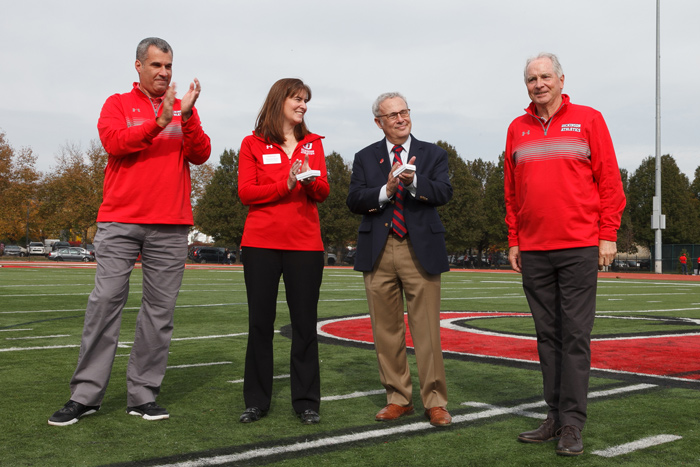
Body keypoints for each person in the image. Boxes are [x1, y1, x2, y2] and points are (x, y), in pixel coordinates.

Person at [48, 37, 211, 426]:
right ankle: (85, 395)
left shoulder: (184, 110)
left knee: (159, 313)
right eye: (156, 65)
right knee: (104, 303)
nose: (164, 72)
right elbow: (115, 143)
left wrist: (185, 116)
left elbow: (201, 154)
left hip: (171, 225)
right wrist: (158, 123)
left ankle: (142, 395)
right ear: (138, 66)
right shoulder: (117, 104)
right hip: (120, 221)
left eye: (168, 66)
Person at [505, 53, 626, 455]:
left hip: (578, 246)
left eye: (544, 76)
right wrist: (514, 239)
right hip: (535, 250)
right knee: (547, 336)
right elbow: (511, 192)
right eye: (531, 78)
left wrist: (607, 234)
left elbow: (609, 180)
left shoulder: (589, 119)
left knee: (575, 336)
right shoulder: (516, 129)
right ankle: (554, 416)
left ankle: (573, 422)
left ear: (560, 79)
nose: (538, 84)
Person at [346, 92, 453, 427]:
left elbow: (443, 192)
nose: (400, 119)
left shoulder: (433, 154)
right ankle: (398, 398)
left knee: (427, 331)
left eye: (403, 112)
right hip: (379, 248)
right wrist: (388, 189)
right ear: (379, 122)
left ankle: (435, 401)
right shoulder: (365, 157)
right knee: (386, 330)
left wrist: (414, 182)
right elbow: (354, 199)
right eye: (391, 115)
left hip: (419, 249)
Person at [237, 78, 329, 425]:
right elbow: (247, 193)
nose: (303, 105)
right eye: (297, 98)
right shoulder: (252, 143)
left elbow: (322, 191)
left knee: (305, 325)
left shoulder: (313, 143)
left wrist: (307, 179)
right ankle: (256, 402)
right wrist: (285, 184)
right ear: (280, 101)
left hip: (305, 245)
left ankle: (306, 402)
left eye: (306, 100)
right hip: (260, 244)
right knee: (260, 323)